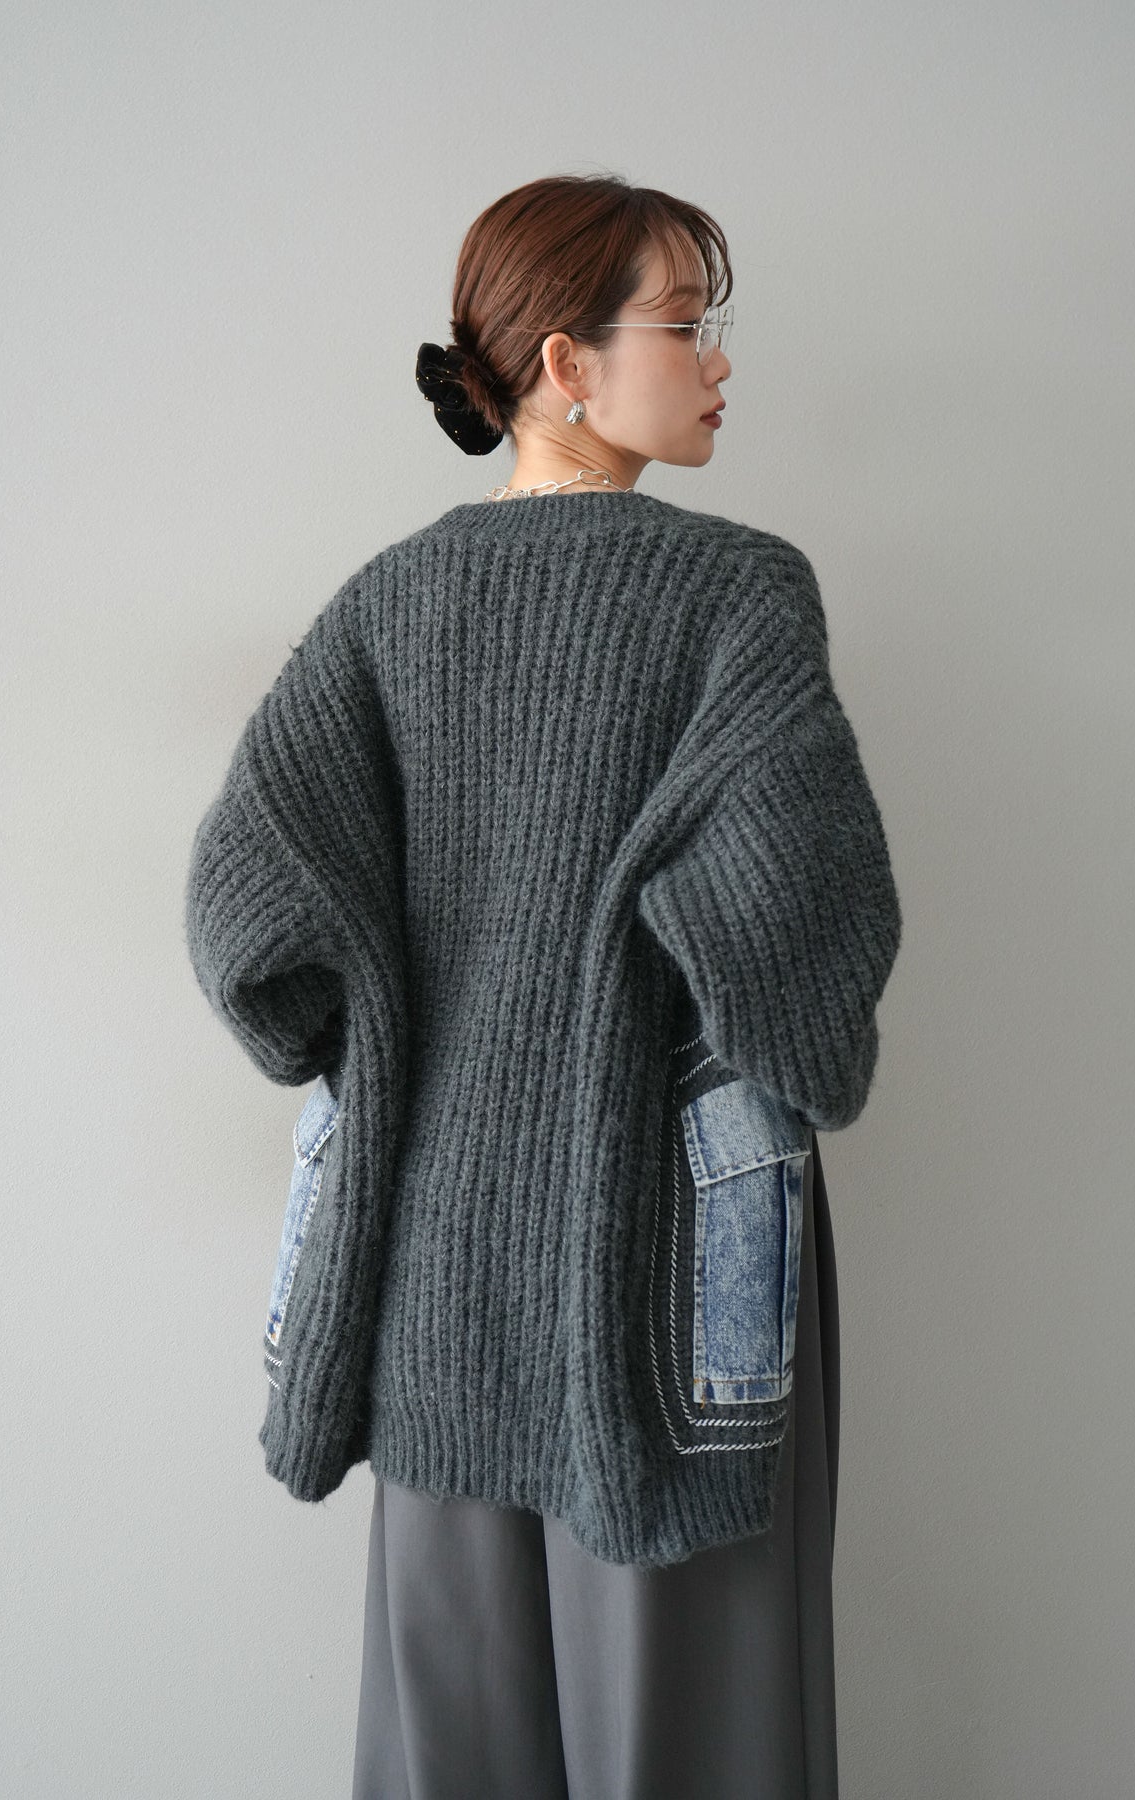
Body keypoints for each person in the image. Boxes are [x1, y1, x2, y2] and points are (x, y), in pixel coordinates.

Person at [184, 171, 903, 1799]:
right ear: (567, 363)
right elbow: (804, 940)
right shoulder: (736, 591)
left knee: (452, 1744)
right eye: (687, 325)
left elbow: (248, 911)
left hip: (427, 1250)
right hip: (665, 1244)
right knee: (698, 1734)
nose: (719, 362)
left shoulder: (386, 604)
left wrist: (388, 1041)